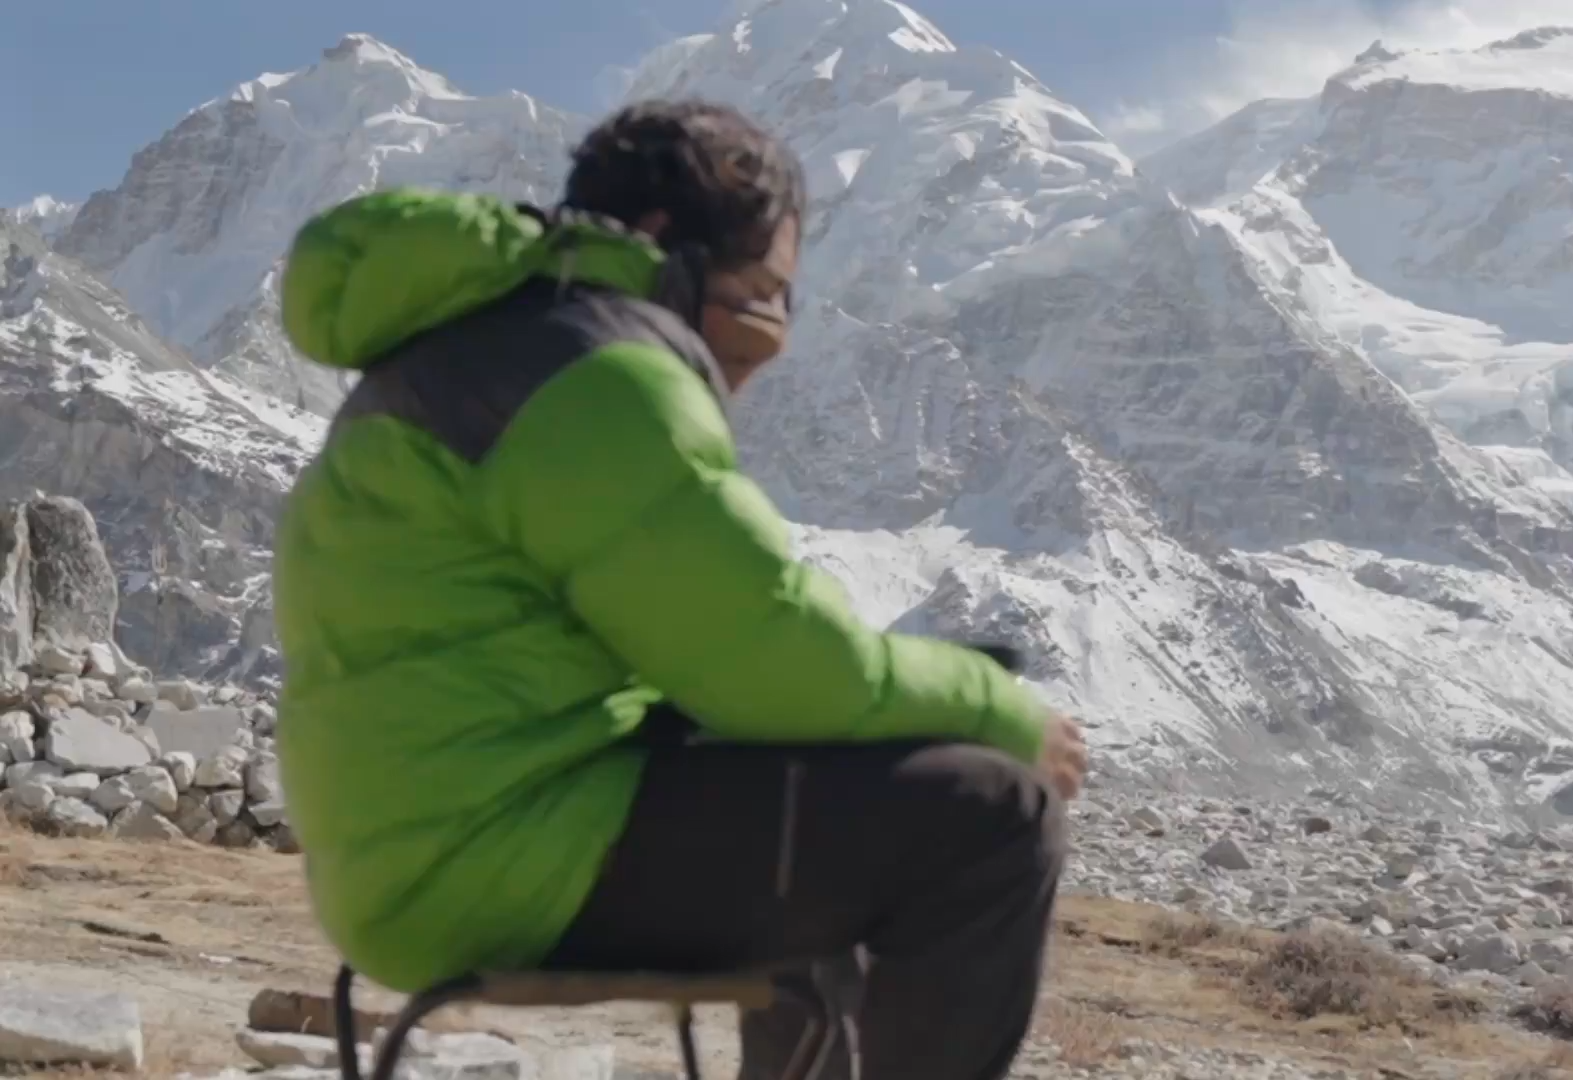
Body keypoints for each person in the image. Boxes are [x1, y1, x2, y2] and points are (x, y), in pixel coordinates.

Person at [270, 99, 1089, 1080]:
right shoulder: (598, 381)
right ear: (667, 245)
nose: (775, 330)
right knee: (995, 816)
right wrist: (1001, 709)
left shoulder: (483, 346)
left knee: (810, 782)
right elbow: (775, 661)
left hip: (416, 847)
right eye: (767, 288)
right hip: (491, 857)